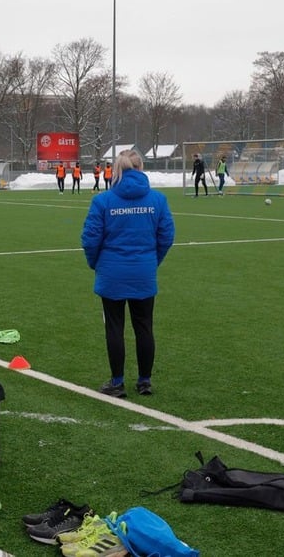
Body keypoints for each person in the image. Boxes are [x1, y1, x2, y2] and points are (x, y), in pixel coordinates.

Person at [81, 149, 175, 398]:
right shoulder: (157, 200)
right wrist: (152, 261)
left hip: (112, 272)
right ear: (140, 167)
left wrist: (96, 263)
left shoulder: (103, 201)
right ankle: (144, 381)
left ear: (117, 170)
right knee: (144, 327)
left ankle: (118, 381)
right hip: (143, 272)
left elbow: (90, 239)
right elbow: (167, 236)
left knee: (114, 328)